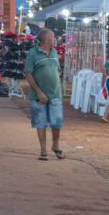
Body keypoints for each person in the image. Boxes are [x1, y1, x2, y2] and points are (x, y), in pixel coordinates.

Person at [23, 28, 64, 161]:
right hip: (38, 95)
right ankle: (43, 150)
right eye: (52, 37)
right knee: (40, 123)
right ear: (46, 40)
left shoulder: (54, 51)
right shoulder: (33, 54)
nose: (54, 39)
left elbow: (56, 70)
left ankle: (55, 145)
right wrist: (39, 91)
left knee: (57, 121)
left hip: (55, 93)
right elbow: (28, 73)